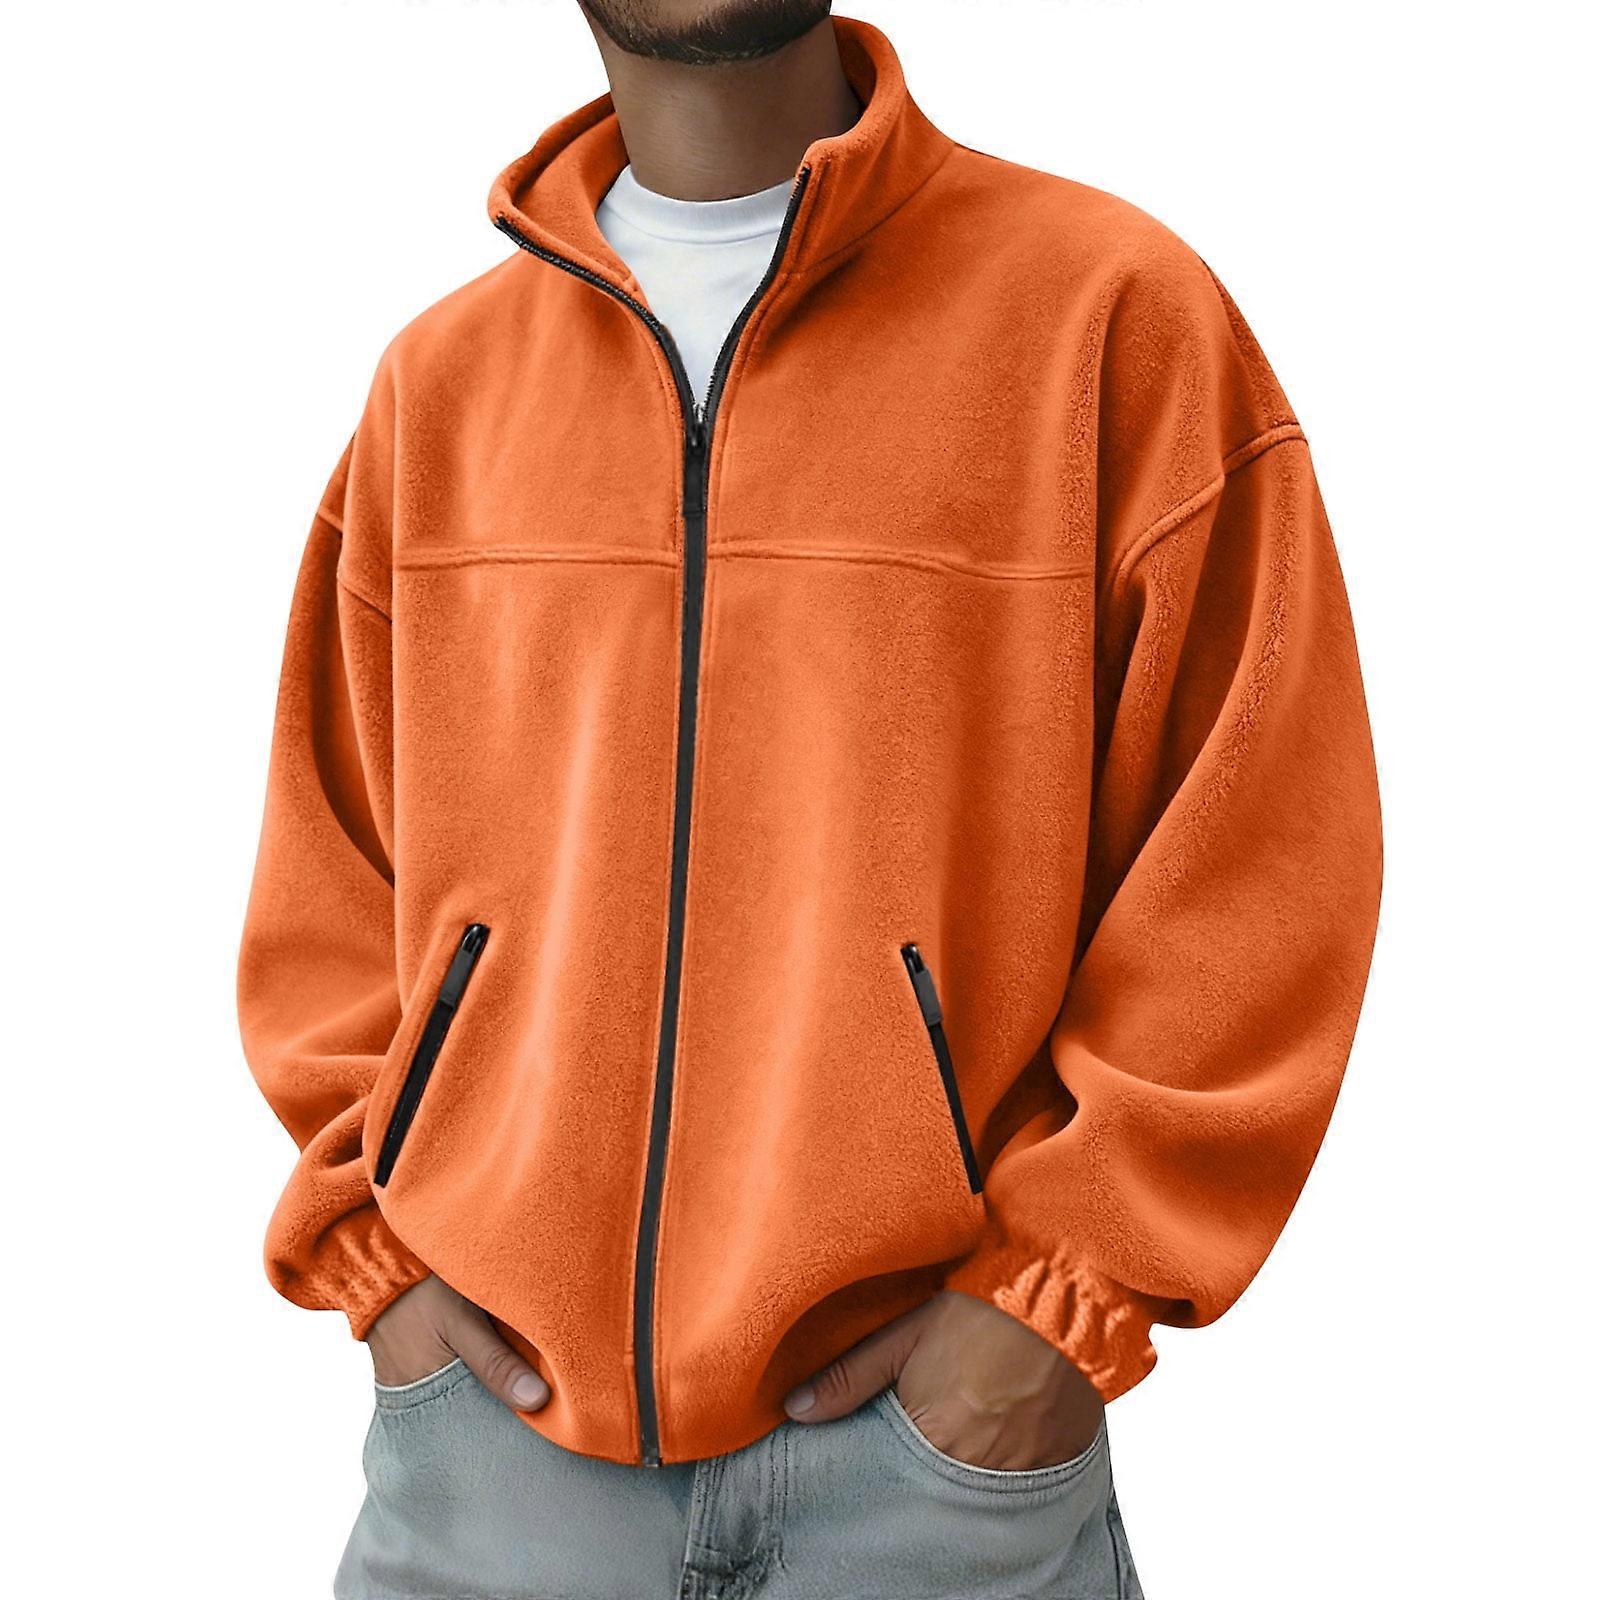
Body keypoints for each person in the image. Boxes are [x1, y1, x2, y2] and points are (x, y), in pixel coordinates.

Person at [237, 5, 1381, 1596]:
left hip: (930, 1477)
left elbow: (1256, 845)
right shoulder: (443, 383)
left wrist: (1054, 1305)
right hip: (494, 1460)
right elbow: (334, 869)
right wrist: (381, 1267)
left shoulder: (1107, 317)